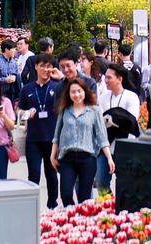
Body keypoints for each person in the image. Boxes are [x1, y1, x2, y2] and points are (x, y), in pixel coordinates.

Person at [51, 76, 111, 206]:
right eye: (73, 92)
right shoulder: (65, 110)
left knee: (84, 197)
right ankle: (73, 217)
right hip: (67, 158)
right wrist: (53, 155)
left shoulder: (94, 111)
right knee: (66, 194)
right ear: (68, 94)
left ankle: (82, 222)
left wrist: (109, 158)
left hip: (87, 158)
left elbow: (102, 137)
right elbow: (57, 134)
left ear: (85, 91)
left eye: (79, 91)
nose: (77, 95)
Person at [20, 54, 62, 208]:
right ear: (36, 66)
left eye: (49, 66)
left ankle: (52, 204)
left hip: (52, 139)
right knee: (34, 174)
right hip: (33, 139)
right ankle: (32, 204)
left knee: (51, 174)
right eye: (43, 66)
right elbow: (19, 108)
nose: (46, 69)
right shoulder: (27, 89)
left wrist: (62, 78)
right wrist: (25, 113)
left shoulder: (58, 87)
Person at [96, 64, 141, 192]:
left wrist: (111, 119)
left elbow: (131, 121)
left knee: (124, 184)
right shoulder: (103, 97)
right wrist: (116, 119)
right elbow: (100, 121)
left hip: (125, 147)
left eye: (109, 78)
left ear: (119, 79)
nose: (106, 80)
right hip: (105, 147)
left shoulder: (131, 97)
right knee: (101, 182)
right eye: (106, 77)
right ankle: (107, 207)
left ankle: (120, 209)